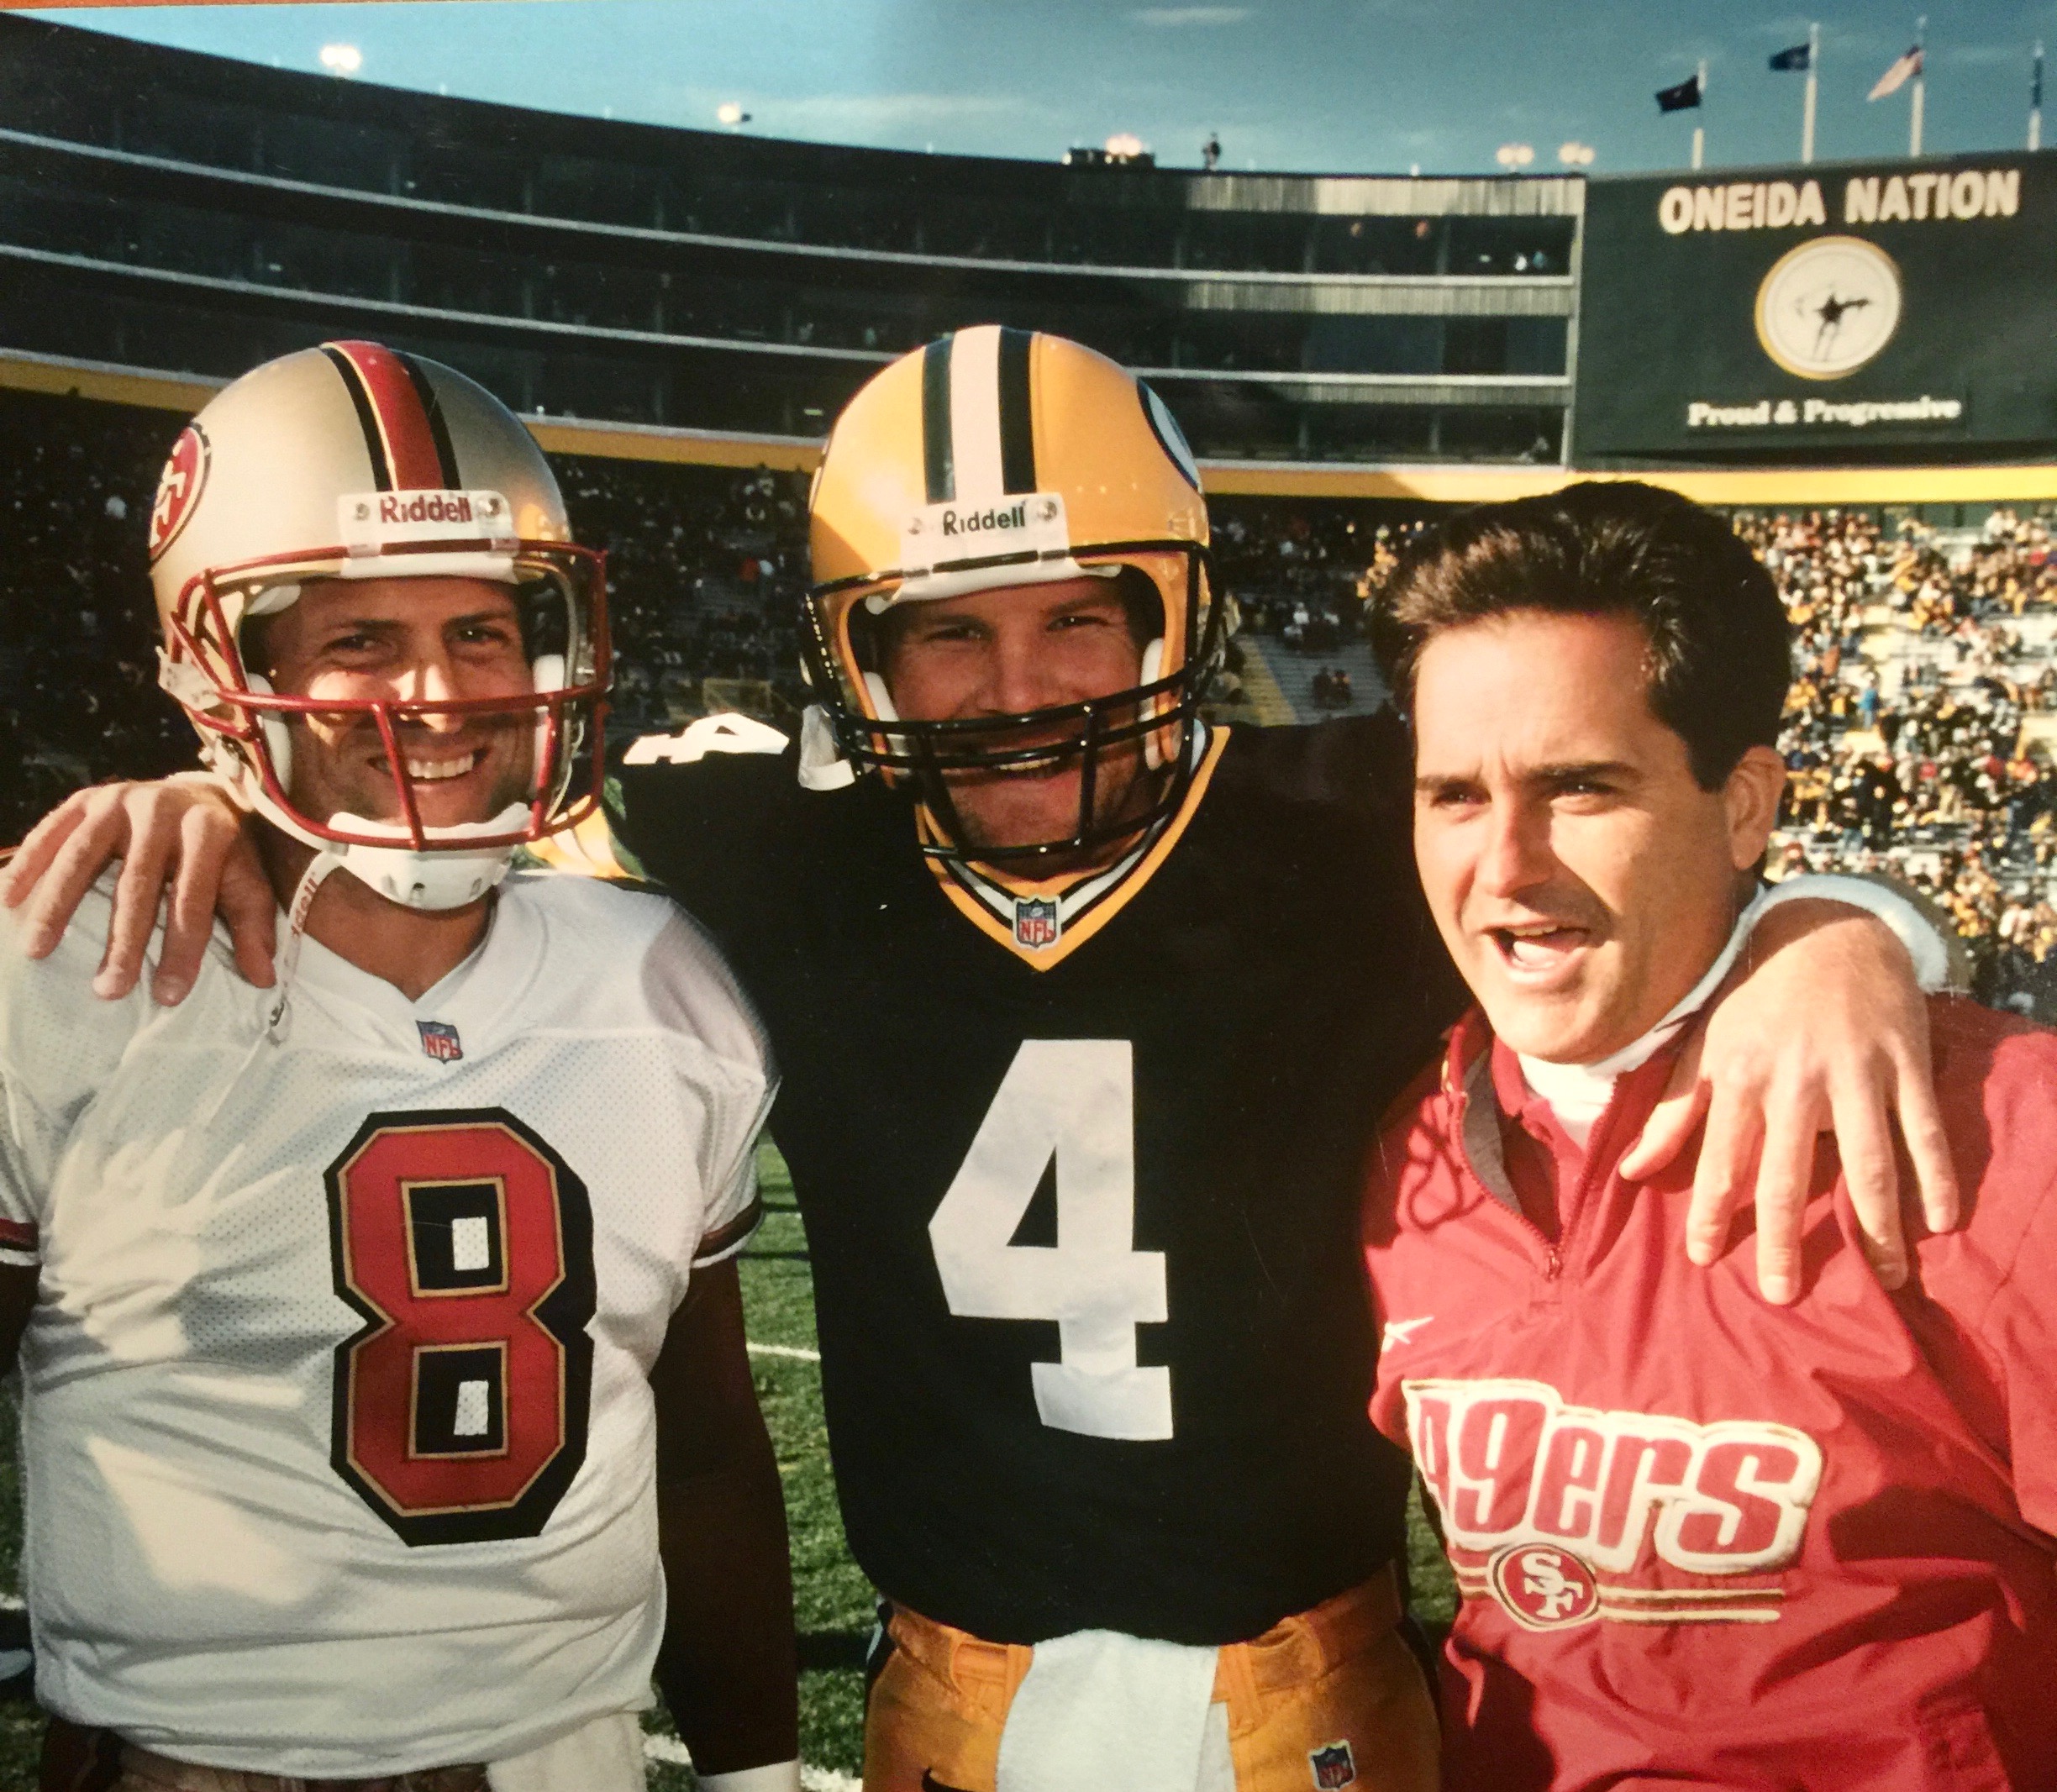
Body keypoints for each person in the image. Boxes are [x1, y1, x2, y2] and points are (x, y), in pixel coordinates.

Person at [10, 331, 1955, 1792]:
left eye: (1076, 619)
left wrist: (1843, 924)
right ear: (859, 652)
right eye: (947, 633)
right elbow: (430, 808)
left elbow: (1637, 845)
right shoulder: (761, 845)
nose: (1018, 687)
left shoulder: (1365, 827)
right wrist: (222, 798)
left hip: (1322, 1679)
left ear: (1180, 610)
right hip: (956, 1681)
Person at [0, 343, 798, 1792]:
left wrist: (752, 1772)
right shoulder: (60, 971)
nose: (437, 694)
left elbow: (703, 1445)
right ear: (225, 667)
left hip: (570, 1756)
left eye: (481, 631)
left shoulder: (656, 974)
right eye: (358, 639)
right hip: (199, 1760)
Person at [1361, 482, 2057, 1789]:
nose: (1504, 864)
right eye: (1455, 794)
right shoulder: (1406, 1160)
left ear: (1744, 807)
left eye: (1579, 786)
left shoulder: (2002, 1136)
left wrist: (1837, 919)